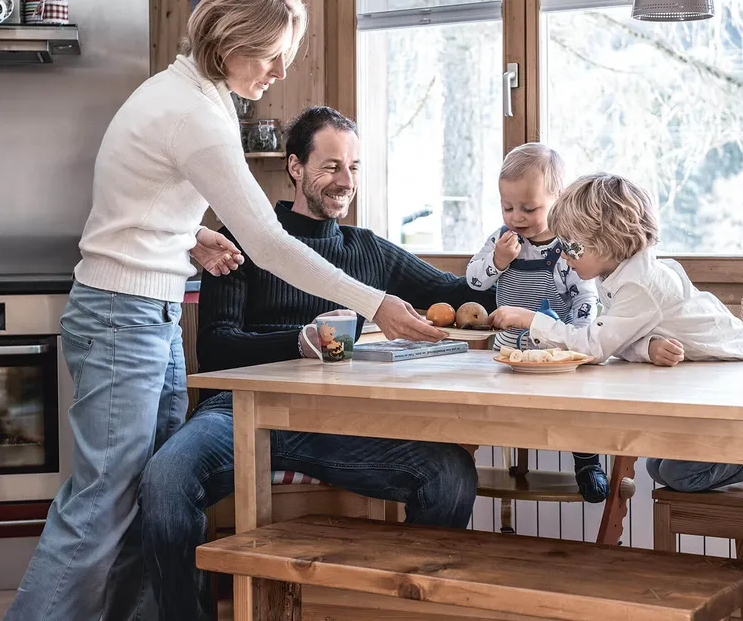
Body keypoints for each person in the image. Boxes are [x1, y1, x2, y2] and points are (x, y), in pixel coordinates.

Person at [3, 0, 443, 621]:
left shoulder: (189, 95)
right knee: (99, 507)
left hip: (145, 314)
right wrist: (374, 302)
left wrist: (192, 234)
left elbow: (141, 196)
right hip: (123, 321)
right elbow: (267, 242)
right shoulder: (194, 111)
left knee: (134, 504)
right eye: (270, 56)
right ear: (232, 38)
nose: (276, 72)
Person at [138, 106, 494, 621]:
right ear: (296, 168)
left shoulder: (367, 249)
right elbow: (216, 348)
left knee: (450, 475)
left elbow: (457, 292)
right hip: (237, 414)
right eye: (330, 166)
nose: (344, 181)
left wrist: (503, 261)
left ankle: (398, 610)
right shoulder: (242, 237)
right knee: (164, 481)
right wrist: (299, 341)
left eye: (353, 167)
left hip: (336, 424)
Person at [489, 172, 743, 496]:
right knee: (658, 467)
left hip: (741, 375)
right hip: (713, 376)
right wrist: (646, 348)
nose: (563, 253)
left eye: (569, 245)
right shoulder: (614, 274)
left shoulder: (640, 282)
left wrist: (533, 320)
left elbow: (594, 348)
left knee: (678, 474)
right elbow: (614, 339)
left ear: (606, 242)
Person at [465, 143, 607, 502]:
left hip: (554, 355)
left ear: (557, 201)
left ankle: (587, 460)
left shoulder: (568, 248)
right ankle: (459, 458)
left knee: (576, 404)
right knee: (476, 402)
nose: (517, 217)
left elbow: (586, 295)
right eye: (507, 207)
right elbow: (474, 281)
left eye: (529, 208)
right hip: (508, 351)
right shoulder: (502, 240)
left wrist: (576, 337)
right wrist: (497, 261)